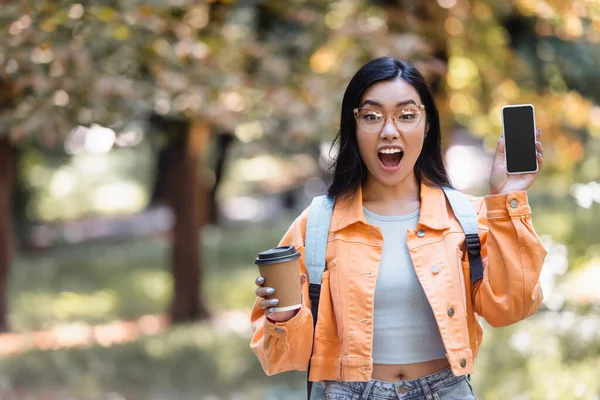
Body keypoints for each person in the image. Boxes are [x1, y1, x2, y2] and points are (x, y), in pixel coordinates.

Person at [249, 57, 547, 399]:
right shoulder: (317, 225)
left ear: (427, 124)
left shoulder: (465, 216)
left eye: (406, 115)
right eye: (372, 116)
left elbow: (513, 307)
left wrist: (508, 200)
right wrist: (284, 318)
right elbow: (282, 358)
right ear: (354, 126)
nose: (389, 130)